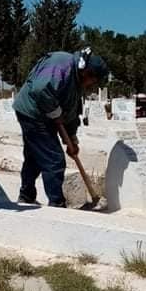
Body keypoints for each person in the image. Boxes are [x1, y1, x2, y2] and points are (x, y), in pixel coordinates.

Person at [13, 48, 109, 207]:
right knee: (54, 159)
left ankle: (26, 196)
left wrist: (72, 140)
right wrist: (55, 111)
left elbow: (71, 112)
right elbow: (40, 89)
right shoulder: (61, 64)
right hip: (33, 112)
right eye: (93, 80)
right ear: (87, 72)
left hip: (45, 116)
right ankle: (57, 203)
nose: (92, 84)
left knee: (35, 157)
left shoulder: (77, 81)